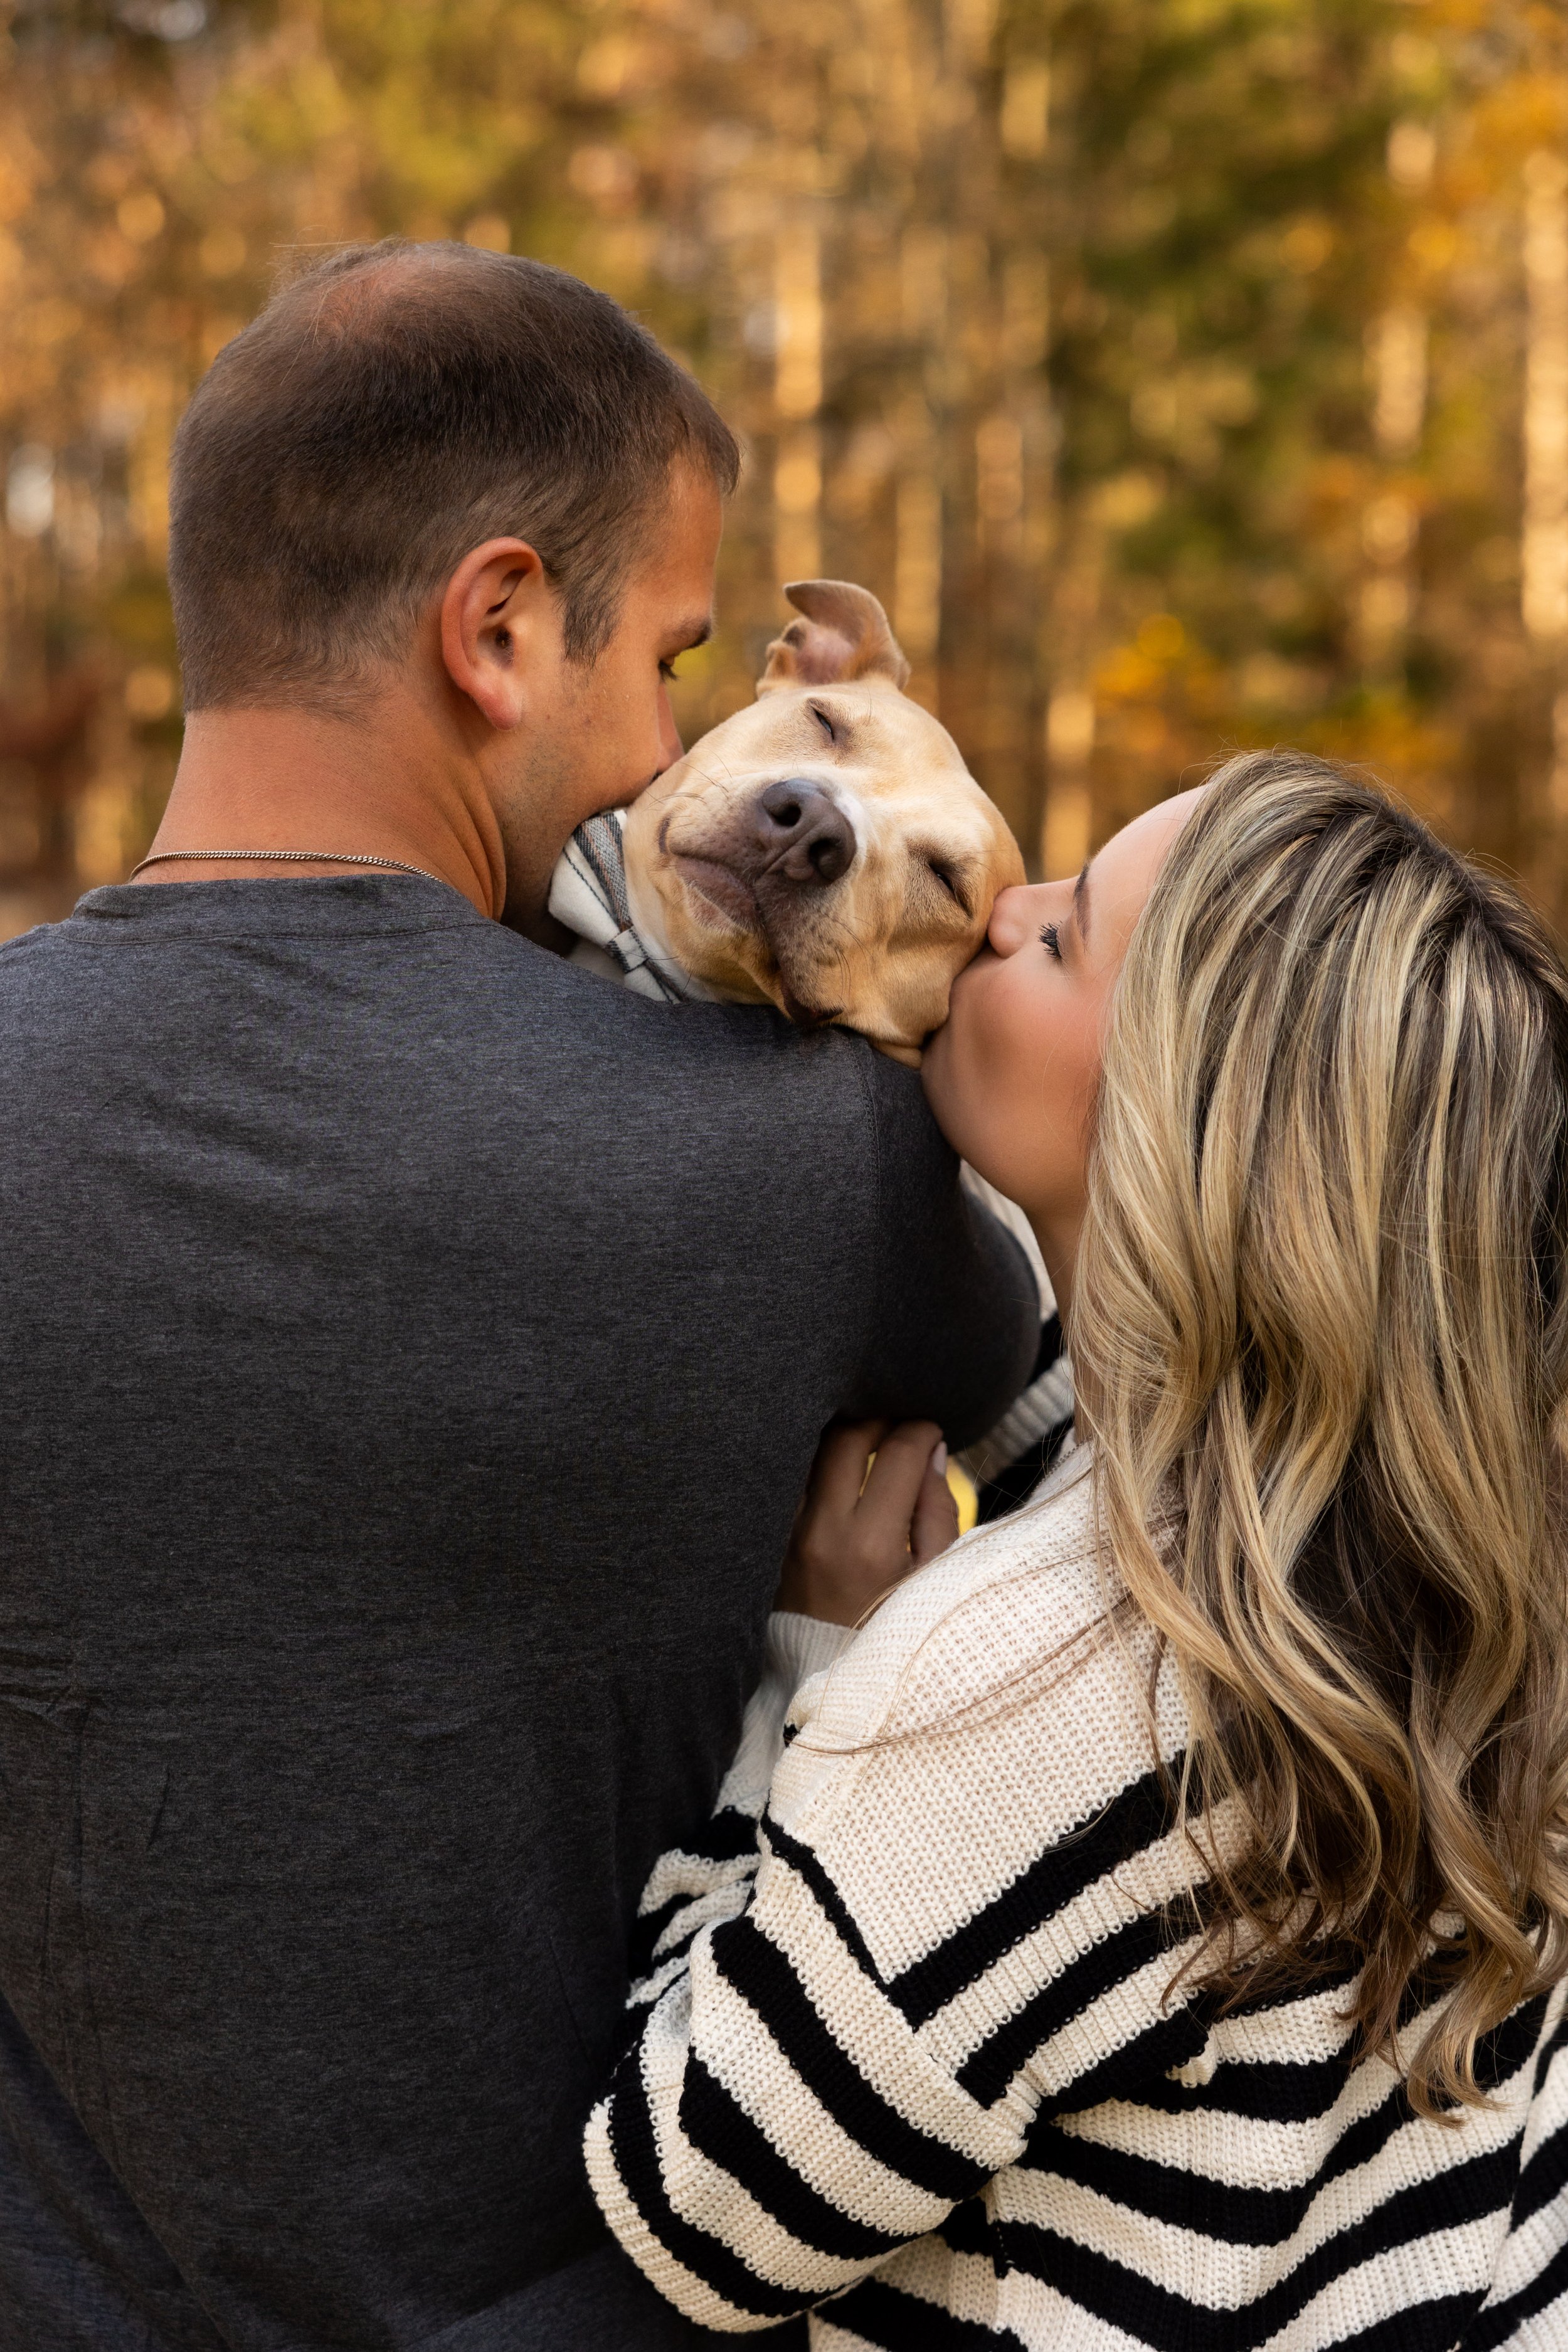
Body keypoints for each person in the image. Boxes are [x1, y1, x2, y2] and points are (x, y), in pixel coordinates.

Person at [0, 242, 1039, 2351]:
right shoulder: (817, 1166)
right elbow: (1194, 1460)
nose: (672, 731)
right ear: (498, 628)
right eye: (667, 656)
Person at [588, 750, 1568, 2350]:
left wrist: (815, 1664)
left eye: (1057, 941)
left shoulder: (1024, 1683)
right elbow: (1102, 1446)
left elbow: (696, 2203)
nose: (1001, 912)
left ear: (1191, 1141)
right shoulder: (1458, 1579)